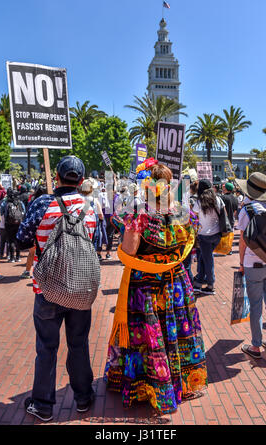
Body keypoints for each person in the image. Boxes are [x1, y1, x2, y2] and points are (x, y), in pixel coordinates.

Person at [104, 158, 207, 415]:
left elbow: (129, 250)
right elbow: (191, 242)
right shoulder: (184, 211)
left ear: (147, 186)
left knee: (149, 335)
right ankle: (179, 382)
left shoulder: (139, 215)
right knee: (176, 330)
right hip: (177, 283)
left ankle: (150, 386)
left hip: (147, 287)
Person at [17, 156, 97, 422]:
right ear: (81, 181)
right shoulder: (90, 207)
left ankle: (42, 405)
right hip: (80, 288)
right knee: (79, 344)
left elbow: (22, 240)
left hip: (47, 289)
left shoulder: (42, 204)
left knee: (47, 347)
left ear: (58, 178)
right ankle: (84, 398)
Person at [237, 172, 266, 359]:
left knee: (255, 305)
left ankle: (255, 346)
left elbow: (242, 241)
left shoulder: (246, 210)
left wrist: (241, 263)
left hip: (252, 263)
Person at [192, 179, 225, 295]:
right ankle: (198, 284)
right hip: (216, 234)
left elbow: (194, 216)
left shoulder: (199, 202)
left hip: (204, 235)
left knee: (207, 260)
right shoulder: (218, 199)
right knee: (202, 258)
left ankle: (211, 285)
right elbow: (223, 213)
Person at [20, 185, 47, 279]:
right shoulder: (49, 202)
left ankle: (28, 271)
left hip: (33, 230)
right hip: (45, 230)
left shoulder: (32, 202)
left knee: (32, 252)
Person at [1, 189, 25, 263]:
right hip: (19, 223)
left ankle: (11, 258)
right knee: (18, 239)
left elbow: (2, 212)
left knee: (10, 240)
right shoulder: (20, 202)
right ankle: (18, 257)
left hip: (9, 224)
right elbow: (24, 212)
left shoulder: (5, 202)